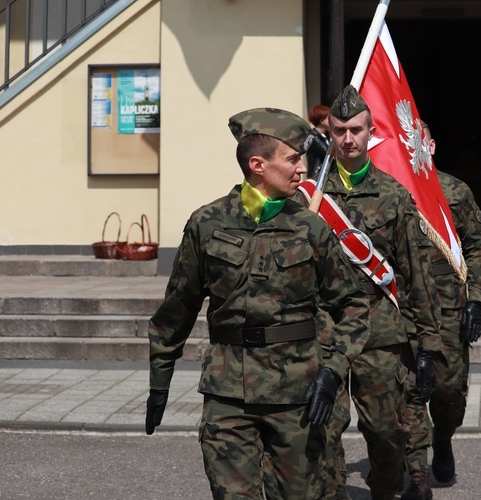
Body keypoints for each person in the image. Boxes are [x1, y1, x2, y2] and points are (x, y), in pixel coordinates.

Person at [144, 107, 370, 499]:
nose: (302, 169)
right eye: (293, 159)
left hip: (298, 393)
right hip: (228, 392)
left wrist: (332, 372)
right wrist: (159, 382)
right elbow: (177, 308)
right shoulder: (207, 223)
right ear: (258, 165)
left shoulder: (311, 227)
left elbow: (353, 305)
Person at [294, 85, 441, 500]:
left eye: (355, 130)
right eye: (339, 130)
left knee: (385, 430)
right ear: (329, 134)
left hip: (380, 335)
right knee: (325, 427)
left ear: (371, 131)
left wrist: (428, 344)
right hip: (326, 330)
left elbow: (417, 275)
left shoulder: (394, 196)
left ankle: (386, 489)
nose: (347, 139)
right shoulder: (311, 199)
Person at [401, 121, 481, 500]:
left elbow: (476, 246)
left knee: (449, 392)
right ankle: (416, 471)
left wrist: (475, 299)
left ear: (432, 146)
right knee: (408, 391)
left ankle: (443, 436)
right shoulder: (392, 194)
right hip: (404, 310)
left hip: (449, 309)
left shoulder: (455, 191)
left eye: (421, 143)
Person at [305, 104, 331, 179]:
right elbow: (328, 153)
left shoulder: (322, 136)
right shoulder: (314, 137)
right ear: (322, 121)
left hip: (321, 175)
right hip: (316, 176)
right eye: (329, 118)